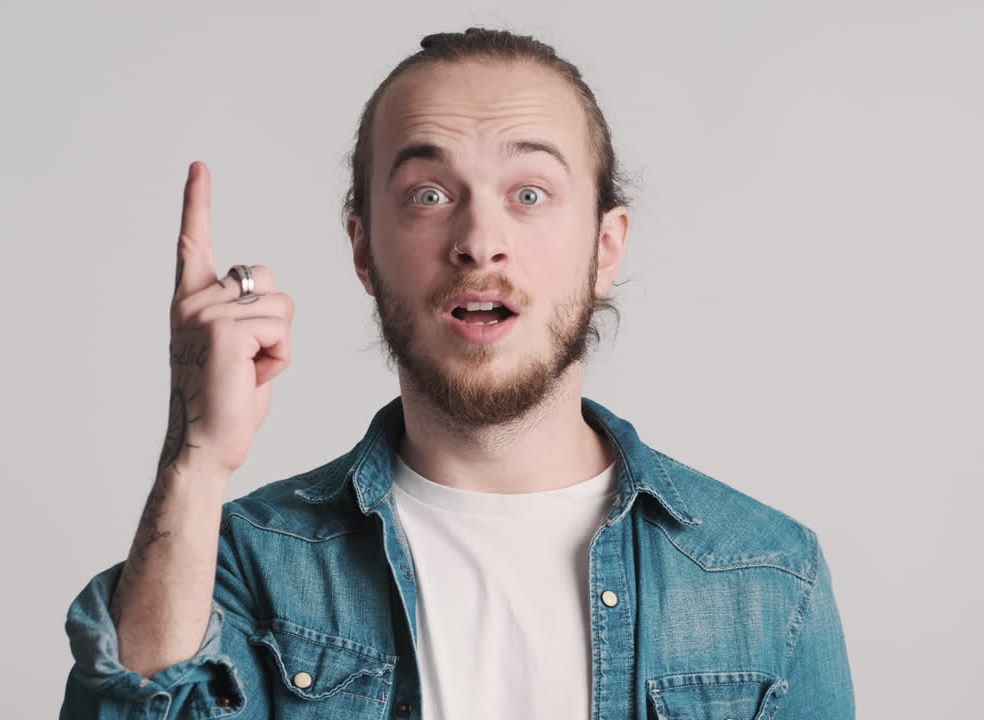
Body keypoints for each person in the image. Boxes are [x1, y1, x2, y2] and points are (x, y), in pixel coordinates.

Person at [60, 27, 856, 720]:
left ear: (606, 247)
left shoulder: (767, 578)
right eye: (430, 194)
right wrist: (195, 458)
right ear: (364, 250)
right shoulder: (248, 562)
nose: (480, 240)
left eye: (530, 192)